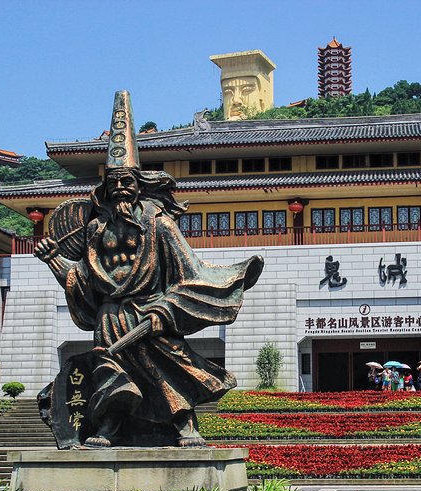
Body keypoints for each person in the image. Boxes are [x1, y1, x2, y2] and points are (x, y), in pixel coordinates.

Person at [34, 90, 263, 448]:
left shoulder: (160, 225)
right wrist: (54, 261)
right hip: (111, 317)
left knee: (166, 370)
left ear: (139, 185)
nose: (120, 188)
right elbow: (83, 282)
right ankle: (108, 428)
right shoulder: (95, 230)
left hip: (151, 312)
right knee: (112, 372)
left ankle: (185, 426)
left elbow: (189, 274)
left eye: (127, 181)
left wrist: (164, 312)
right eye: (113, 182)